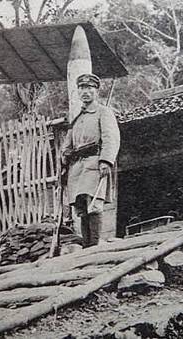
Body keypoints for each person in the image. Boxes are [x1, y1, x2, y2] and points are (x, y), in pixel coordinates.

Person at [61, 73, 120, 247]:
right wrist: (63, 160)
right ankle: (86, 246)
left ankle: (94, 246)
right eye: (82, 88)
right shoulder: (77, 118)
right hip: (76, 168)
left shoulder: (103, 112)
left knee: (93, 204)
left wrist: (106, 161)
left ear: (96, 91)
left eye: (89, 88)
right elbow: (67, 144)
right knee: (81, 207)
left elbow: (111, 138)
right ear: (78, 92)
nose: (85, 92)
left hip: (94, 163)